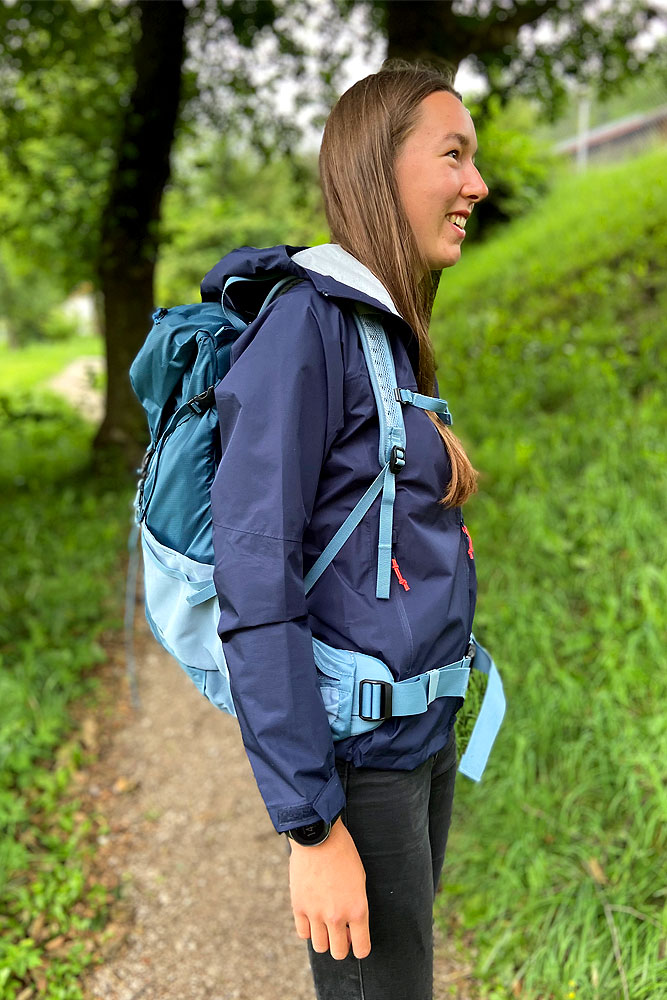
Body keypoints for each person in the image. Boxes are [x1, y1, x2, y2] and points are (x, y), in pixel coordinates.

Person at [202, 60, 489, 1000]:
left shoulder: (382, 326)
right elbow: (256, 580)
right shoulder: (304, 328)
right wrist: (311, 827)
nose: (475, 186)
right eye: (453, 155)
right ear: (380, 167)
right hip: (357, 772)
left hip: (418, 739)